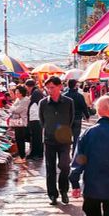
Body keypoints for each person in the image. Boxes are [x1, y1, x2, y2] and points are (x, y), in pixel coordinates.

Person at [39, 76, 74, 205]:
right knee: (50, 168)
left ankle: (64, 190)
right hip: (49, 140)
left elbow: (71, 119)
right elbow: (42, 121)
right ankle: (53, 195)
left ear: (60, 87)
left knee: (65, 166)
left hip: (64, 140)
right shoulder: (43, 103)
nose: (50, 90)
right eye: (47, 88)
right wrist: (49, 130)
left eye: (52, 87)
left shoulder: (68, 102)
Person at [64, 79, 91, 154]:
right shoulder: (79, 96)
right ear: (75, 86)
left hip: (67, 119)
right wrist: (87, 116)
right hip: (77, 118)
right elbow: (84, 107)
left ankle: (66, 153)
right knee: (76, 137)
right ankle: (74, 153)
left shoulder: (64, 95)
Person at [9, 85, 30, 164]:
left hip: (21, 122)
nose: (16, 93)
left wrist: (12, 108)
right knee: (18, 139)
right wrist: (13, 108)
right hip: (17, 122)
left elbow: (16, 110)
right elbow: (13, 108)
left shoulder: (25, 100)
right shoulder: (18, 99)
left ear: (21, 93)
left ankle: (22, 157)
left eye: (17, 92)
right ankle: (21, 156)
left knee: (20, 139)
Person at [26, 79, 44, 161]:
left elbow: (36, 106)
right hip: (35, 118)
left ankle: (37, 154)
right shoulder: (36, 92)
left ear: (29, 86)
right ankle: (35, 153)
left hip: (36, 118)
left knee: (37, 137)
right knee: (35, 137)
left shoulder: (36, 93)